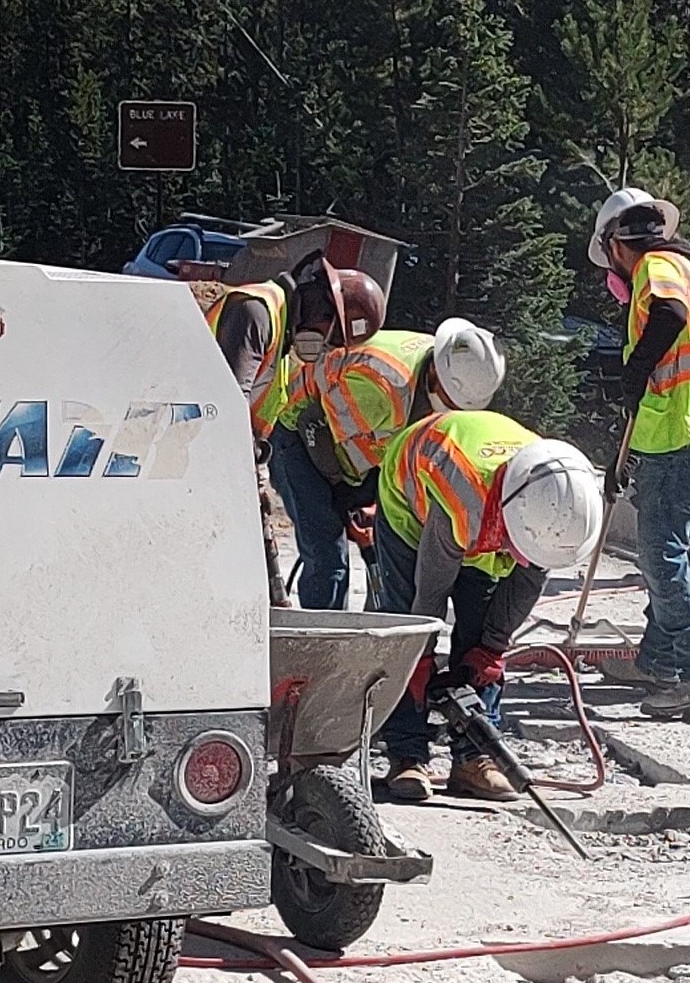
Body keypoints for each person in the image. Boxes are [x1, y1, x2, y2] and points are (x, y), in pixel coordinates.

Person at [370, 410, 601, 803]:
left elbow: (528, 579)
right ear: (511, 521)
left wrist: (490, 648)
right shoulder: (462, 502)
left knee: (480, 635)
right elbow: (428, 599)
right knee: (406, 630)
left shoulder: (559, 503)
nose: (521, 557)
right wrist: (421, 657)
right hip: (411, 500)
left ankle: (475, 760)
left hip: (488, 507)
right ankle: (405, 754)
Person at [590, 189, 690, 720]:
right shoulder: (685, 266)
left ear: (618, 245)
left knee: (663, 555)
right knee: (670, 548)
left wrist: (634, 367)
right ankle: (658, 659)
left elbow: (670, 316)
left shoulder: (658, 267)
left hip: (684, 427)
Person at [205, 253, 385, 609]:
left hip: (220, 467)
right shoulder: (256, 312)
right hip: (195, 461)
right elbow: (227, 406)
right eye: (330, 339)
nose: (325, 349)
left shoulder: (282, 341)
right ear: (322, 308)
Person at [290, 315, 506, 609]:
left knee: (386, 543)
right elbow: (311, 423)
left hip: (353, 447)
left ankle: (375, 628)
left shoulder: (461, 367)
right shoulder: (382, 387)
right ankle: (320, 644)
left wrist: (374, 498)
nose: (454, 410)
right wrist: (339, 488)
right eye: (451, 400)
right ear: (434, 374)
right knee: (328, 553)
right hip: (297, 434)